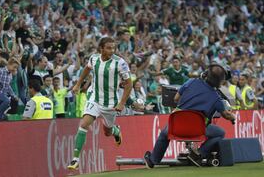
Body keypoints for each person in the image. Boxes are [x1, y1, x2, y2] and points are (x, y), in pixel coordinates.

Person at [144, 64, 236, 168]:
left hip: (176, 128)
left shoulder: (191, 81)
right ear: (219, 82)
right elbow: (226, 115)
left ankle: (152, 160)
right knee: (220, 133)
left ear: (206, 74)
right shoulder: (216, 98)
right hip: (198, 131)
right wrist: (233, 117)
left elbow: (176, 98)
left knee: (164, 134)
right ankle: (199, 154)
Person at [67, 37, 132, 170]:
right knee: (84, 123)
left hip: (111, 104)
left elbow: (129, 84)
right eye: (108, 48)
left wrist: (122, 103)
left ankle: (115, 130)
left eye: (113, 48)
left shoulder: (120, 63)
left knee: (107, 132)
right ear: (101, 48)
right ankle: (75, 159)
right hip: (94, 99)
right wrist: (78, 84)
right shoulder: (94, 58)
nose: (112, 50)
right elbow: (87, 68)